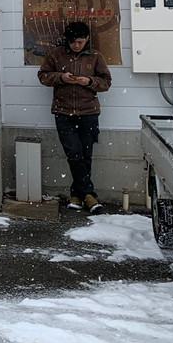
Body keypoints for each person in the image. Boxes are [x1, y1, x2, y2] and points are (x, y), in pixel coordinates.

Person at [37, 21, 112, 213]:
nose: (76, 45)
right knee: (74, 154)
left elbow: (106, 82)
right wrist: (60, 78)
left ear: (87, 39)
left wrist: (89, 81)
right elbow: (43, 76)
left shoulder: (95, 56)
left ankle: (76, 195)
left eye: (80, 41)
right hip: (63, 112)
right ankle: (90, 195)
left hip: (89, 112)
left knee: (86, 155)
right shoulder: (55, 55)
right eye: (72, 42)